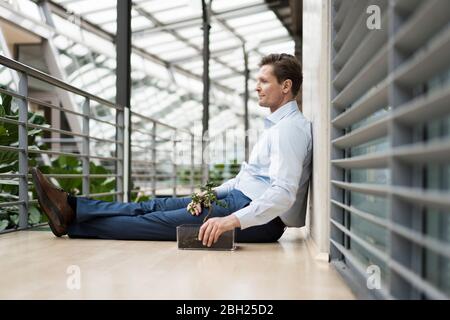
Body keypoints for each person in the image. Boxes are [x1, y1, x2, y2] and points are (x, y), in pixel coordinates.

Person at [32, 53, 312, 247]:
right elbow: (246, 180)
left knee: (157, 222)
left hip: (256, 218)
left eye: (264, 81)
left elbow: (283, 193)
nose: (257, 88)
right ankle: (73, 207)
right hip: (239, 199)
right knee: (154, 205)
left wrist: (231, 221)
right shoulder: (277, 126)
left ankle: (72, 224)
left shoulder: (289, 130)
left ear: (286, 86)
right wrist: (211, 194)